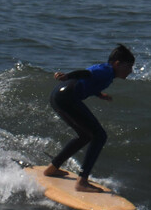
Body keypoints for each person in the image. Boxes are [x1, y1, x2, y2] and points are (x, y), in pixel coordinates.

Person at [45, 44, 135, 192]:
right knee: (100, 136)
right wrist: (68, 75)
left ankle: (52, 168)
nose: (130, 71)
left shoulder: (107, 73)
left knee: (86, 135)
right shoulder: (106, 71)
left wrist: (100, 95)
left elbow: (90, 83)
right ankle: (82, 182)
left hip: (60, 96)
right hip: (67, 97)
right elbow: (86, 74)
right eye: (129, 67)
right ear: (117, 63)